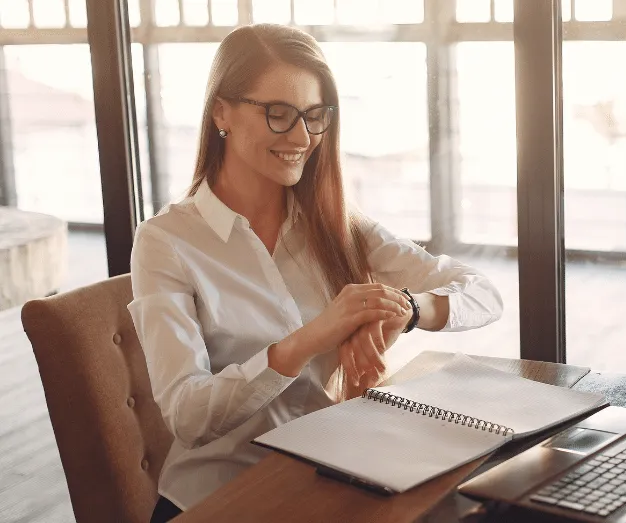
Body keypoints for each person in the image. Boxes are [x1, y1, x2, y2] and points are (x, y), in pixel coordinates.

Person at [128, 23, 504, 523]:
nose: (302, 137)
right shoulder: (166, 242)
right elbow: (188, 415)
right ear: (222, 111)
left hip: (325, 477)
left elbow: (483, 292)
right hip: (216, 499)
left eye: (313, 116)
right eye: (278, 115)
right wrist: (309, 338)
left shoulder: (335, 224)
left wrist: (407, 309)